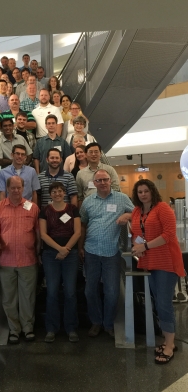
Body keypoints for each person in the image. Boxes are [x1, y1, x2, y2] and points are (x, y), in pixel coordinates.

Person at [131, 179, 185, 364]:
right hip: (150, 262)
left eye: (146, 191)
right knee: (158, 303)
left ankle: (170, 345)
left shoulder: (162, 208)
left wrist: (144, 245)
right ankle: (167, 340)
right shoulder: (137, 211)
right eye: (140, 192)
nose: (143, 194)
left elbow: (169, 235)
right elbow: (137, 231)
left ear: (152, 192)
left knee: (163, 304)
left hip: (167, 263)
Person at [79, 169, 133, 338]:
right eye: (99, 180)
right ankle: (96, 322)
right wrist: (80, 247)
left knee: (112, 292)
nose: (102, 183)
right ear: (94, 183)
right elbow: (82, 225)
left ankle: (108, 324)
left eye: (105, 180)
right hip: (91, 251)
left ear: (111, 181)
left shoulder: (122, 198)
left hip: (112, 253)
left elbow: (138, 213)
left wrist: (127, 214)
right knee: (90, 290)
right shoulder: (87, 202)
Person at [0, 176, 40, 344]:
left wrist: (38, 254)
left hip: (28, 259)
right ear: (7, 189)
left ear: (24, 188)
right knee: (9, 297)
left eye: (19, 187)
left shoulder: (32, 208)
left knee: (28, 296)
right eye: (13, 188)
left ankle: (28, 328)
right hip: (6, 260)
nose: (16, 191)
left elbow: (38, 233)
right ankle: (14, 329)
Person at [39, 182, 81, 343]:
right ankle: (51, 328)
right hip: (51, 254)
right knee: (52, 292)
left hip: (70, 254)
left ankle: (71, 328)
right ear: (50, 194)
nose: (57, 193)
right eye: (54, 191)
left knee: (70, 292)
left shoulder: (72, 209)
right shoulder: (45, 211)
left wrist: (66, 249)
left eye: (60, 191)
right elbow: (43, 234)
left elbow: (77, 232)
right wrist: (59, 249)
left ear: (65, 193)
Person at [76, 142, 120, 208]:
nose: (93, 154)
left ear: (100, 154)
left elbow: (116, 189)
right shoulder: (80, 174)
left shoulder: (110, 170)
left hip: (108, 206)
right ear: (85, 154)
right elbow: (80, 196)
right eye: (91, 152)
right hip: (89, 208)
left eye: (96, 152)